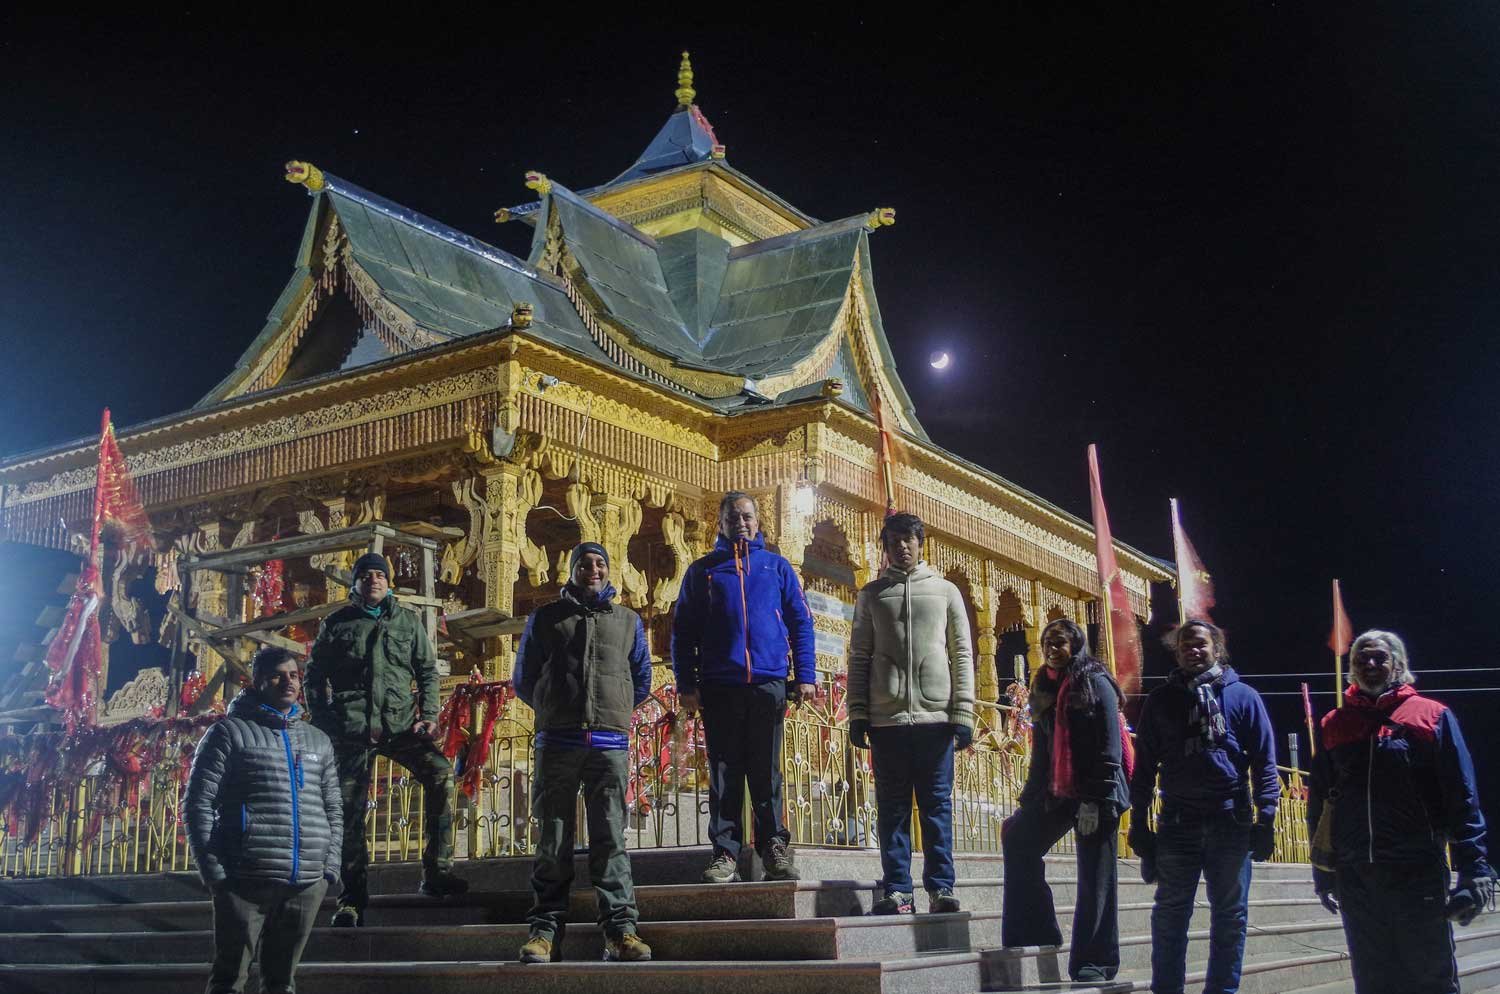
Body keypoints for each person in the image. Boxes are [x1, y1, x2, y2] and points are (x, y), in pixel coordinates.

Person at [1308, 629, 1495, 994]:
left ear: (1399, 664)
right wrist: (1323, 871)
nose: (1370, 664)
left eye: (1380, 657)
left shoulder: (1431, 716)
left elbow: (1462, 797)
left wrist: (1474, 869)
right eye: (1362, 658)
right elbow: (1319, 804)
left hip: (1416, 871)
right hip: (1356, 876)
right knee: (1373, 980)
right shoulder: (1335, 724)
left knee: (1430, 978)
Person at [305, 551, 467, 927]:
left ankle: (437, 872)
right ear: (355, 582)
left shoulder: (407, 622)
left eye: (380, 574)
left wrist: (429, 716)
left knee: (441, 774)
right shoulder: (337, 624)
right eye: (366, 575)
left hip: (399, 726)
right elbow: (314, 676)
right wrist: (325, 719)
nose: (373, 580)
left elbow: (427, 671)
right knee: (348, 811)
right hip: (352, 730)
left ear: (389, 582)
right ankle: (351, 898)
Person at [512, 542, 654, 964]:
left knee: (610, 838)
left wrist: (616, 709)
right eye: (584, 564)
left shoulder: (628, 621)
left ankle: (620, 931)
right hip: (558, 740)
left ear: (609, 572)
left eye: (600, 564)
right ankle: (544, 932)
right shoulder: (547, 619)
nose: (593, 569)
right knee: (553, 839)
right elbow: (524, 678)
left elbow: (641, 677)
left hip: (608, 743)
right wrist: (554, 706)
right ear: (570, 571)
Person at [671, 490, 816, 883]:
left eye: (748, 517)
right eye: (733, 518)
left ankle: (774, 848)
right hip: (719, 686)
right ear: (720, 524)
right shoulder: (702, 571)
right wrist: (686, 682)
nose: (742, 523)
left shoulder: (776, 568)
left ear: (758, 522)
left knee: (766, 773)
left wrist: (805, 674)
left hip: (768, 683)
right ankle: (725, 853)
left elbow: (801, 622)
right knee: (724, 773)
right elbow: (683, 631)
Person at [1128, 619, 1279, 994]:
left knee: (1230, 915)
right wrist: (1138, 822)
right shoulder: (1162, 701)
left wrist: (1268, 818)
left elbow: (1264, 762)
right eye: (1184, 646)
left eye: (1200, 644)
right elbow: (1144, 766)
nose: (1193, 651)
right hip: (1178, 823)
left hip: (1231, 820)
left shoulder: (1243, 697)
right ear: (1176, 653)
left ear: (1217, 649)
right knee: (1170, 914)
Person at [185, 646, 342, 994]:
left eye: (293, 675)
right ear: (256, 681)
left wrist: (328, 867)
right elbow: (198, 803)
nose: (288, 681)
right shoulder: (229, 734)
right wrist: (215, 873)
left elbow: (333, 805)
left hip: (306, 881)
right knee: (229, 979)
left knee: (282, 982)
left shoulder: (318, 741)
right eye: (277, 675)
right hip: (244, 880)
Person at [846, 512, 974, 915]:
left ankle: (941, 888)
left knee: (937, 807)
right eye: (895, 540)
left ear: (921, 543)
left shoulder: (946, 592)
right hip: (887, 720)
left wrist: (964, 712)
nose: (903, 546)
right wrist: (857, 712)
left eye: (910, 539)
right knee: (893, 808)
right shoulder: (871, 595)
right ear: (884, 547)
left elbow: (962, 653)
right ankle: (898, 889)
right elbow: (860, 655)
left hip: (936, 719)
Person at [1001, 617, 1129, 984]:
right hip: (1058, 789)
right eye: (1046, 644)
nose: (1052, 650)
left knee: (1096, 875)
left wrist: (1095, 799)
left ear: (1076, 645)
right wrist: (1028, 803)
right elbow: (1041, 751)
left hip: (1098, 790)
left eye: (1059, 643)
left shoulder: (1095, 681)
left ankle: (1096, 961)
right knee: (1018, 838)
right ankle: (1036, 929)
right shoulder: (1043, 685)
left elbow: (1110, 748)